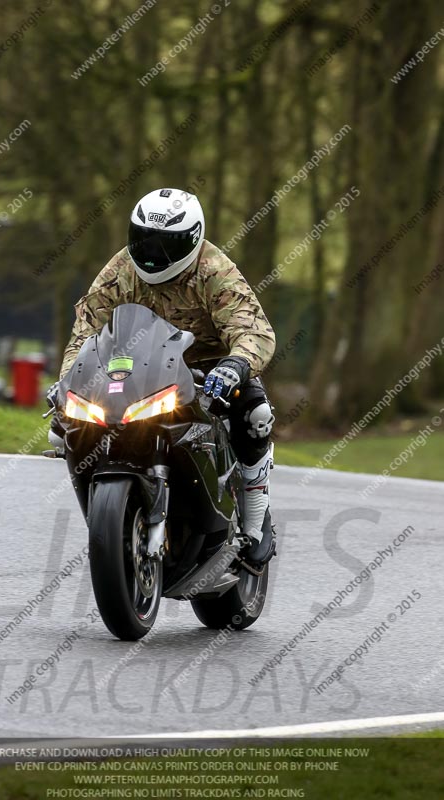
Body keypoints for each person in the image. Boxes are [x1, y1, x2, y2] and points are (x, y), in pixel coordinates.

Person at [48, 188, 276, 568]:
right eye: (143, 241)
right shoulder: (120, 270)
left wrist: (236, 364)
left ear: (192, 239)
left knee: (255, 415)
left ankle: (254, 519)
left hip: (208, 365)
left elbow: (253, 330)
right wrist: (69, 377)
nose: (152, 255)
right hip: (141, 366)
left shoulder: (214, 270)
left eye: (165, 244)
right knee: (66, 422)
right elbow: (84, 333)